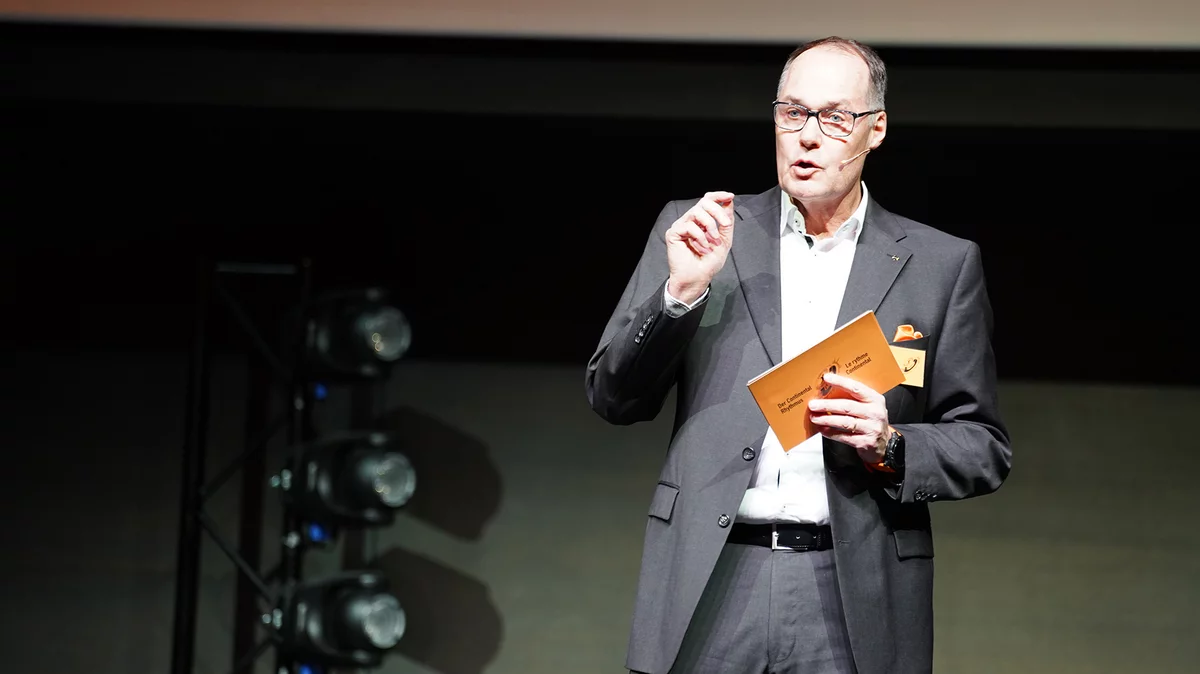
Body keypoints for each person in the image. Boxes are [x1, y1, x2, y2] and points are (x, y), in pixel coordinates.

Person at [585, 36, 1011, 674]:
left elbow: (982, 446)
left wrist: (891, 444)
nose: (807, 135)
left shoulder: (939, 266)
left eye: (834, 117)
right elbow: (613, 397)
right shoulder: (705, 233)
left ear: (875, 129)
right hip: (712, 575)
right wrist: (680, 295)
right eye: (792, 113)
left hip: (851, 587)